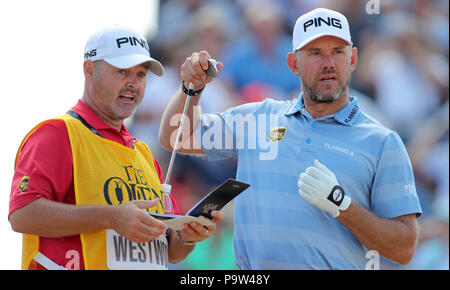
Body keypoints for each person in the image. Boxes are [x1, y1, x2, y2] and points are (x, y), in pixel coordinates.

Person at [159, 8, 422, 269]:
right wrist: (190, 88)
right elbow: (176, 138)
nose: (328, 62)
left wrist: (342, 204)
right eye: (315, 53)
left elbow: (404, 248)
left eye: (337, 52)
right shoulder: (259, 118)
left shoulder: (382, 141)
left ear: (352, 59)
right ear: (293, 64)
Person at [9, 25, 223, 270]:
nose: (133, 83)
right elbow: (22, 215)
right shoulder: (57, 133)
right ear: (89, 70)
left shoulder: (143, 153)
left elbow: (170, 251)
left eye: (141, 75)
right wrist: (111, 217)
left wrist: (188, 235)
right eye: (122, 71)